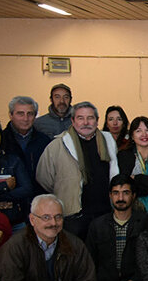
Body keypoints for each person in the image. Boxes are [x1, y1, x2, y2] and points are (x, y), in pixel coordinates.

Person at [36, 101, 119, 240]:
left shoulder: (108, 141)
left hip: (104, 214)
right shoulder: (57, 146)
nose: (85, 122)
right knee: (74, 258)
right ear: (73, 121)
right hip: (74, 217)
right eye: (80, 118)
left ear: (97, 121)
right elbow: (44, 179)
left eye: (90, 118)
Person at [82, 176, 146, 281]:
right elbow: (88, 263)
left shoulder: (144, 223)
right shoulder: (97, 225)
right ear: (110, 195)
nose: (121, 198)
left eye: (125, 193)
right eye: (116, 193)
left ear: (133, 196)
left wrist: (136, 280)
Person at [1, 95, 51, 187]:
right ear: (10, 115)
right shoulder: (0, 141)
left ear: (35, 116)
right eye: (20, 114)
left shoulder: (44, 141)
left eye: (30, 114)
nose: (25, 118)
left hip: (38, 197)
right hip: (9, 197)